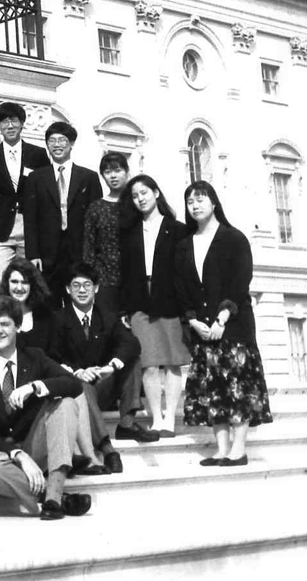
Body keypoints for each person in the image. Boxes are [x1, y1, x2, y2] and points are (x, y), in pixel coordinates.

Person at [0, 296, 91, 521]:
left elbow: (74, 384)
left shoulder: (35, 357)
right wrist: (18, 455)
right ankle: (55, 499)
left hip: (31, 443)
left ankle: (54, 495)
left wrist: (35, 386)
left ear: (18, 327)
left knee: (66, 404)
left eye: (5, 324)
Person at [175, 181, 272, 466]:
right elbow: (180, 288)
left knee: (238, 387)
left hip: (234, 326)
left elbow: (240, 283)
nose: (195, 205)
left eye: (201, 199)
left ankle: (238, 450)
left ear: (214, 202)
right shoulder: (184, 245)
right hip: (203, 330)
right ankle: (221, 449)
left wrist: (222, 317)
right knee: (213, 389)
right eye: (190, 201)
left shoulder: (234, 238)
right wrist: (192, 320)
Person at [50, 263, 142, 474]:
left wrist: (109, 367)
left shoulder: (107, 316)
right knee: (80, 385)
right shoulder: (58, 319)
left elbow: (132, 343)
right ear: (67, 289)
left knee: (132, 360)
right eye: (76, 285)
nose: (82, 290)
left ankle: (127, 424)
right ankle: (107, 448)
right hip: (76, 390)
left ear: (96, 288)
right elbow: (51, 357)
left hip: (102, 385)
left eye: (87, 285)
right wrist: (75, 372)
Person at [118, 174, 189, 441]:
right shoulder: (129, 231)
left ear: (156, 193)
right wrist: (125, 308)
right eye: (135, 196)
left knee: (171, 363)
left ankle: (169, 418)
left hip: (169, 299)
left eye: (144, 192)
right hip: (139, 299)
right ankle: (156, 418)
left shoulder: (178, 229)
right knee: (148, 363)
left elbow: (184, 271)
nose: (140, 199)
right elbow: (124, 273)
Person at [24, 122, 103, 306]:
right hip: (46, 253)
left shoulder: (88, 177)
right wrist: (33, 254)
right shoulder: (36, 178)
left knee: (77, 300)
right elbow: (30, 219)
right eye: (52, 141)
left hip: (78, 250)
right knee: (47, 302)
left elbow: (96, 219)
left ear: (72, 144)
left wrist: (93, 256)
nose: (57, 145)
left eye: (62, 140)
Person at [0, 101, 50, 277]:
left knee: (28, 282)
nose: (10, 126)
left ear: (22, 123)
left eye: (14, 120)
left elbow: (45, 192)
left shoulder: (37, 154)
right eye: (4, 121)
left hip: (28, 229)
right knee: (0, 282)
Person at [82, 151, 130, 312]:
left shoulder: (136, 204)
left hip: (134, 278)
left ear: (127, 172)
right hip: (104, 280)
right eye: (108, 172)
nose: (113, 176)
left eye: (117, 170)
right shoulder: (96, 208)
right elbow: (89, 248)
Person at [2, 257, 55, 352]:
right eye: (14, 282)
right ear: (7, 283)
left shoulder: (45, 316)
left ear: (32, 285)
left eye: (25, 282)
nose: (19, 288)